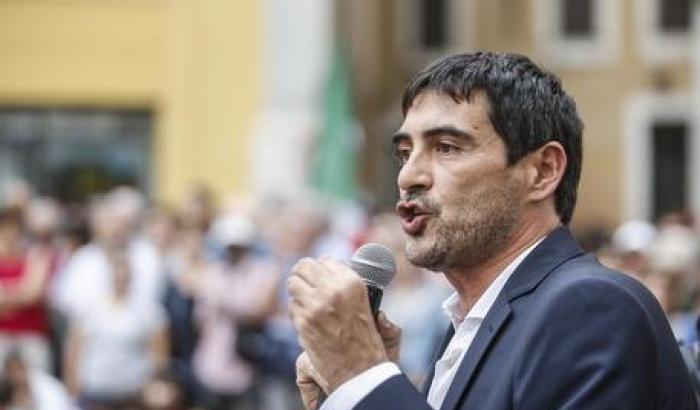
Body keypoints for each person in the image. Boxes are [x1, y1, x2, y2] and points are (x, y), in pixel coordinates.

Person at [287, 52, 697, 410]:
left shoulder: (591, 308)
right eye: (405, 153)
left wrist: (364, 376)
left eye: (446, 147)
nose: (408, 176)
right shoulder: (472, 321)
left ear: (543, 171)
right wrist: (358, 389)